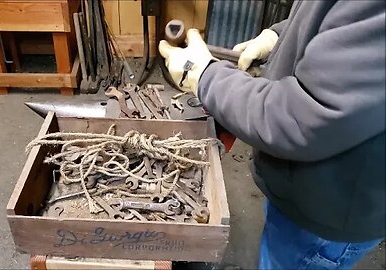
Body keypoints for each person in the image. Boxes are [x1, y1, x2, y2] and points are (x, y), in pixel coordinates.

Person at [159, 1, 385, 269]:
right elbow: (343, 21)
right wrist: (281, 35)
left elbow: (302, 118)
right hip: (302, 189)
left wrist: (206, 76)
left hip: (328, 214)